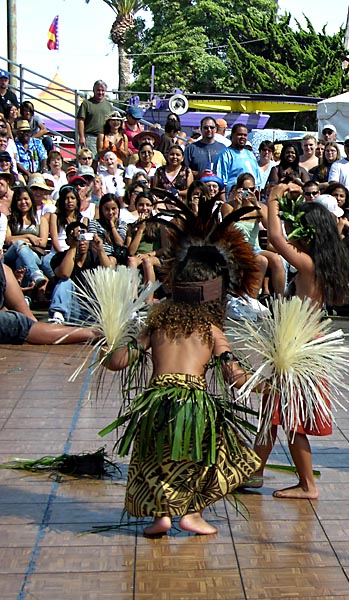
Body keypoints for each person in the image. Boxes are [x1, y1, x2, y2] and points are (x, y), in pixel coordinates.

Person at [99, 196, 264, 535]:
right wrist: (270, 382)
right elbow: (235, 377)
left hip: (156, 400)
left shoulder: (156, 323)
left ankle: (162, 515)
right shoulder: (211, 330)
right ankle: (192, 513)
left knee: (157, 458)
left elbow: (118, 361)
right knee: (207, 457)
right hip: (194, 402)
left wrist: (108, 340)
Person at [253, 181, 349, 498]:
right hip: (298, 346)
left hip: (301, 351)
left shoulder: (309, 266)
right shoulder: (319, 264)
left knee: (290, 419)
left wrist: (274, 198)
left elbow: (275, 238)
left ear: (308, 235)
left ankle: (308, 484)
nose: (292, 233)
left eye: (298, 228)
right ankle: (253, 472)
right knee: (271, 416)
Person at [76, 80, 114, 159]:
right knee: (92, 160)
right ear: (94, 90)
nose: (100, 92)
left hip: (105, 137)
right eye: (98, 90)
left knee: (105, 160)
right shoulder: (86, 104)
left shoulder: (109, 105)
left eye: (102, 90)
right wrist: (82, 137)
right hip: (91, 137)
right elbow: (81, 121)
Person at [217, 124, 259, 193]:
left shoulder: (250, 155)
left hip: (250, 197)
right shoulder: (225, 155)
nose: (243, 137)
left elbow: (257, 180)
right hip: (234, 197)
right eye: (239, 134)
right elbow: (221, 182)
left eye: (245, 135)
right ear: (232, 136)